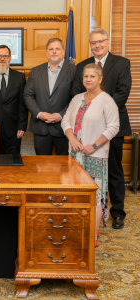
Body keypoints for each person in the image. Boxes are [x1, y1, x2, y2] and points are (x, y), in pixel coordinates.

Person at [71, 28, 132, 230]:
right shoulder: (82, 66)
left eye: (100, 42)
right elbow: (77, 94)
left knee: (114, 171)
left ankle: (117, 213)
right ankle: (87, 210)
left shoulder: (122, 63)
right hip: (85, 130)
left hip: (113, 127)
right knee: (85, 173)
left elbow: (123, 91)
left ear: (107, 42)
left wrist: (100, 112)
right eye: (93, 43)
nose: (97, 46)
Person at [61, 63, 119, 247]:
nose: (88, 79)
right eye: (86, 76)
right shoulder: (77, 98)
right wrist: (73, 140)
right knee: (75, 194)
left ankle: (92, 235)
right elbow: (65, 121)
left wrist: (93, 146)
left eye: (92, 76)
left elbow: (113, 127)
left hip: (96, 157)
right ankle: (76, 228)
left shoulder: (106, 100)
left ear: (100, 79)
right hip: (75, 156)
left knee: (94, 196)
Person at [24, 38, 76, 155]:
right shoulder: (36, 71)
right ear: (47, 52)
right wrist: (39, 113)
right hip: (40, 128)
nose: (54, 51)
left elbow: (76, 98)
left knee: (64, 168)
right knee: (41, 167)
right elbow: (28, 95)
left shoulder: (74, 70)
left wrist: (61, 115)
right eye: (51, 49)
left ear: (63, 51)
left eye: (57, 49)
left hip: (64, 128)